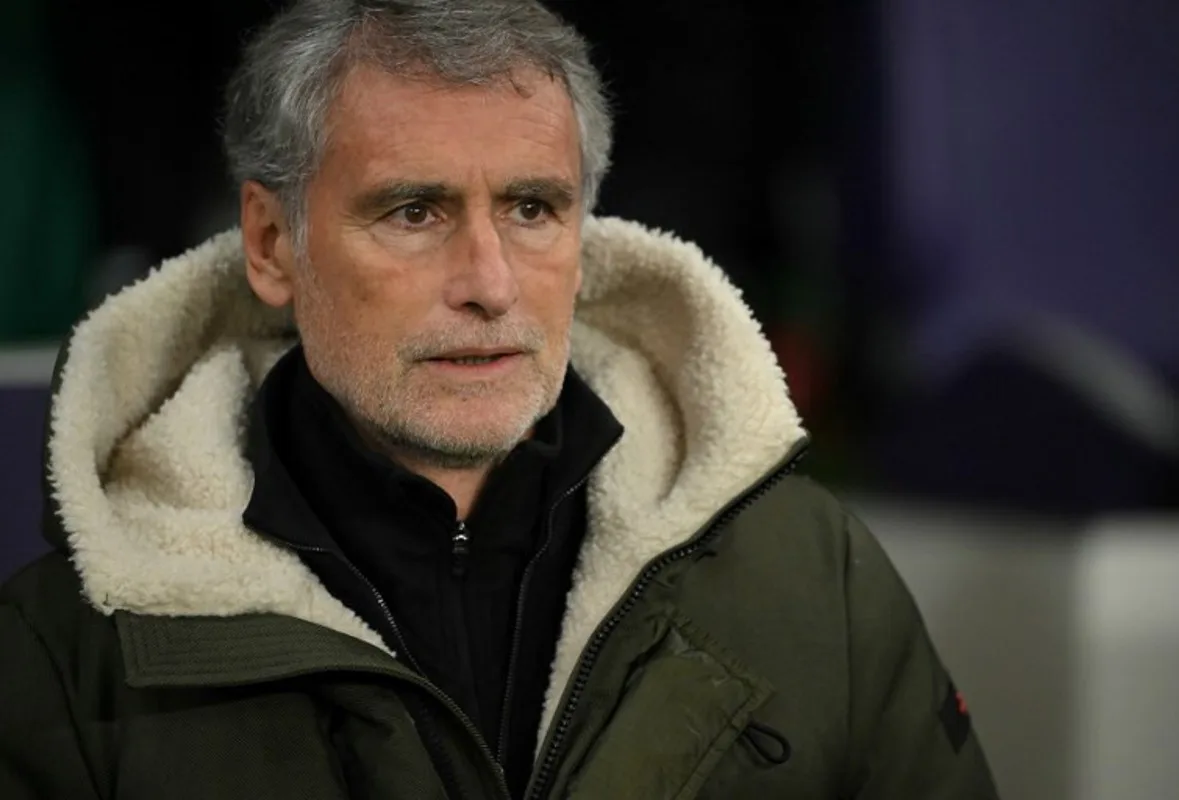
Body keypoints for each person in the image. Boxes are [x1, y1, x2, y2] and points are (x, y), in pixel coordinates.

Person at [0, 1, 1000, 797]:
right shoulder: (66, 650)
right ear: (271, 245)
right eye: (414, 209)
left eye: (532, 208)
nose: (489, 280)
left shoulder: (815, 573)